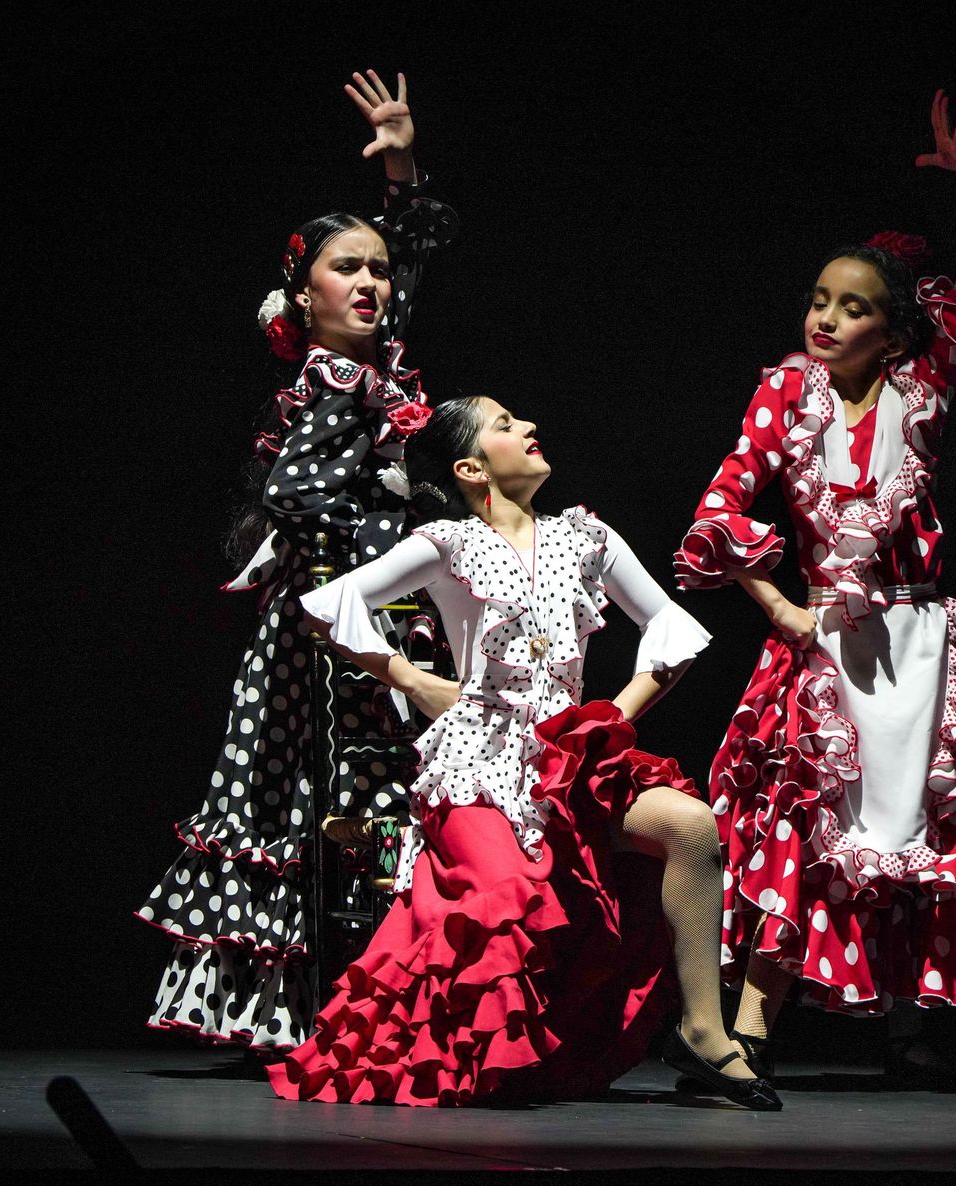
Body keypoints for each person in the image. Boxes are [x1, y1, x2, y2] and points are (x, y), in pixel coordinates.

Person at [673, 91, 956, 1079]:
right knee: (802, 832)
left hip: (910, 642)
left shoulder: (919, 388)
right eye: (819, 299)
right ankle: (752, 1033)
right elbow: (721, 507)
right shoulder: (783, 394)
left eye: (852, 306)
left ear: (893, 334)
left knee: (911, 832)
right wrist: (780, 607)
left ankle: (904, 1025)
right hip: (816, 645)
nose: (826, 318)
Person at [267, 397, 781, 1108]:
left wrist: (611, 717)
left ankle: (702, 1031)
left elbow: (671, 626)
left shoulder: (586, 536)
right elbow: (330, 604)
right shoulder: (447, 543)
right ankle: (478, 1054)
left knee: (692, 826)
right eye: (505, 425)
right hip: (478, 760)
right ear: (471, 468)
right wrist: (416, 681)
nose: (529, 426)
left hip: (571, 756)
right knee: (505, 891)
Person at [136, 71, 458, 1052]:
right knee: (332, 796)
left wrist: (400, 154)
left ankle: (367, 1000)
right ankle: (325, 1004)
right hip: (328, 622)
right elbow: (294, 493)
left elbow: (423, 241)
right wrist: (402, 526)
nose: (370, 282)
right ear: (304, 292)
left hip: (362, 608)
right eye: (346, 268)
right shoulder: (333, 377)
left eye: (377, 269)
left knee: (365, 798)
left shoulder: (369, 364)